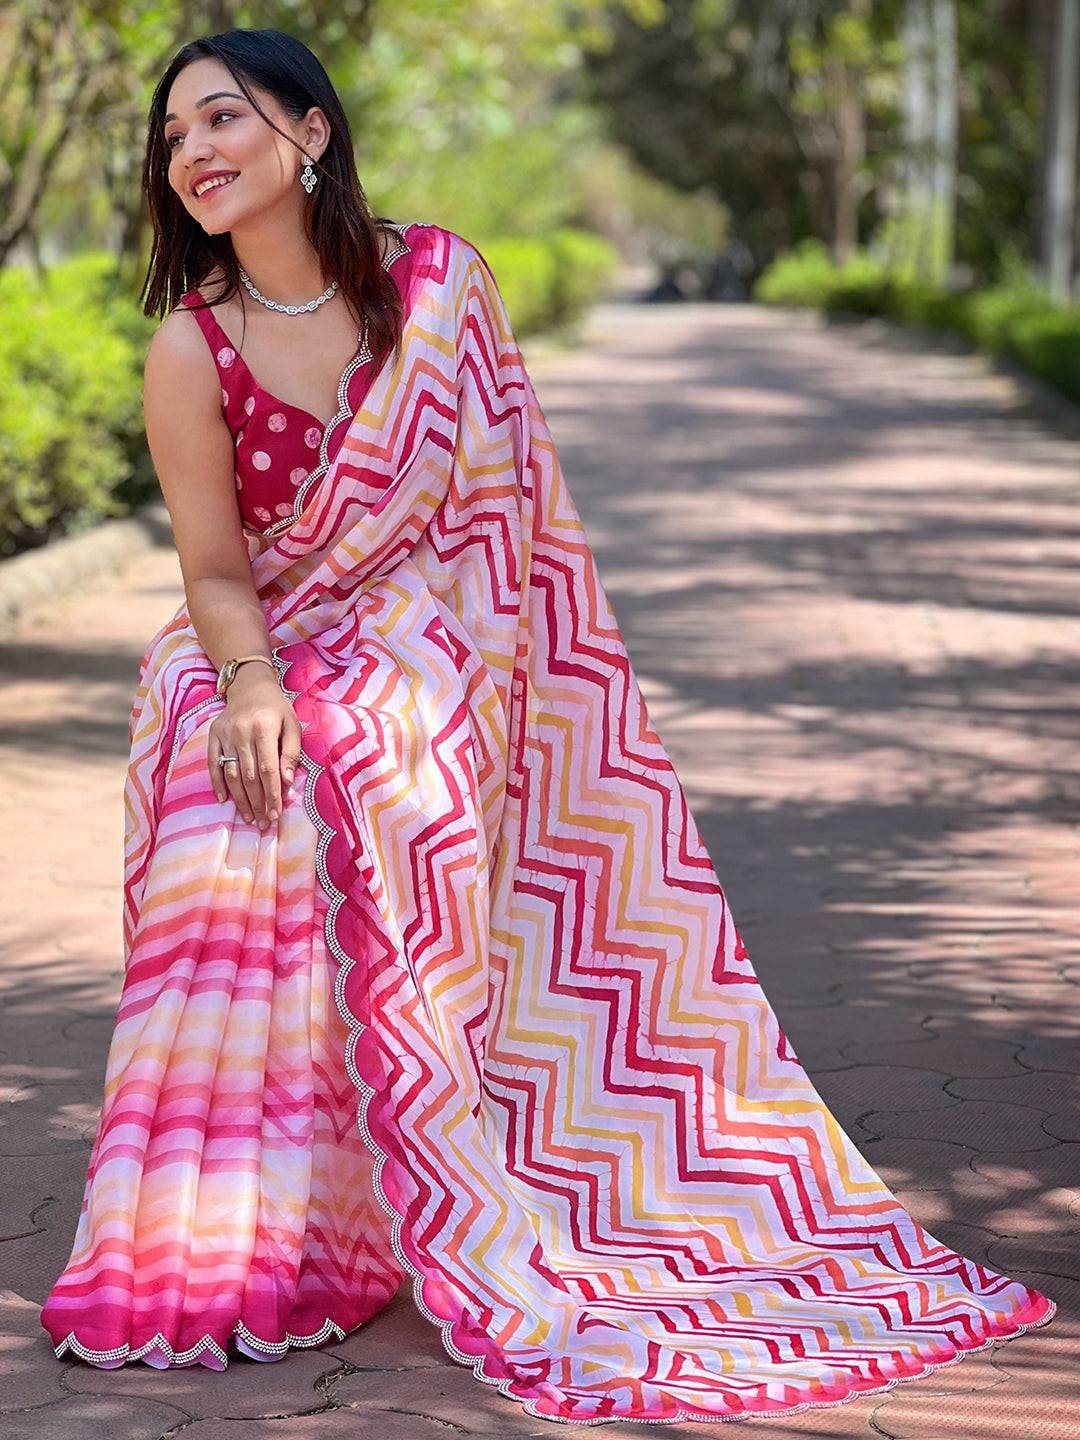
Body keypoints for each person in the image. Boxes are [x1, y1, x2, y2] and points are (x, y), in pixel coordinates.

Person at [39, 26, 1057, 1428]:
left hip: (439, 650)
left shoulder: (435, 287)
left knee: (366, 746)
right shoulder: (188, 349)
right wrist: (258, 683)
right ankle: (240, 1242)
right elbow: (217, 575)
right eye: (171, 138)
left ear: (312, 132)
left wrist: (416, 663)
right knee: (241, 784)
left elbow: (507, 531)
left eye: (221, 119)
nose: (193, 153)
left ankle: (403, 1184)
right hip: (265, 647)